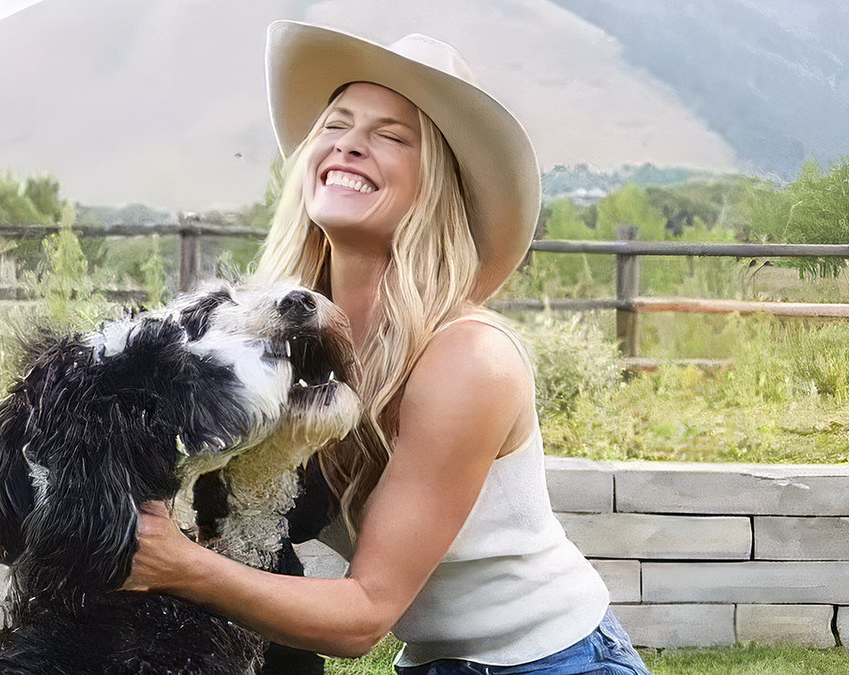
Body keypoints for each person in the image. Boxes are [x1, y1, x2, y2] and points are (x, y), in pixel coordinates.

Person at [126, 20, 654, 675]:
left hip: (553, 659)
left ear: (438, 183)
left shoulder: (469, 359)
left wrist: (179, 566)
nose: (349, 146)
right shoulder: (275, 342)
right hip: (432, 660)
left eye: (390, 135)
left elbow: (366, 614)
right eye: (337, 124)